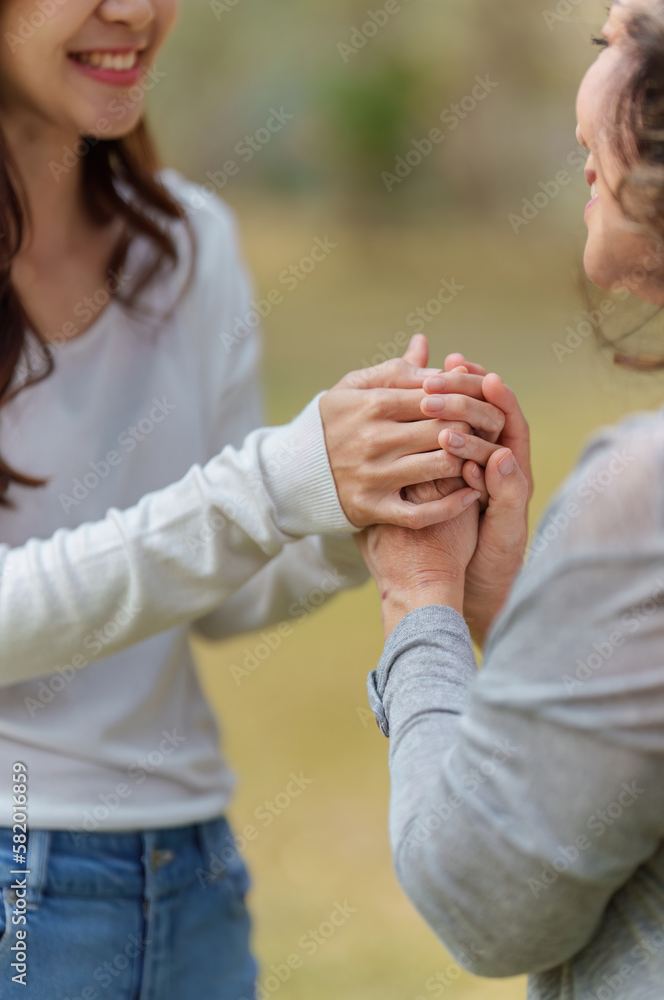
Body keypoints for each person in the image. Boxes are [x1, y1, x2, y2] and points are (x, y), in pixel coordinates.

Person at [0, 1, 526, 998]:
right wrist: (279, 481)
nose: (136, 12)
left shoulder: (189, 242)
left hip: (189, 869)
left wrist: (361, 501)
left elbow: (226, 591)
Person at [360, 1, 664, 997]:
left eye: (623, 36)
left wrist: (421, 601)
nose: (604, 60)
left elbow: (484, 896)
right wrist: (520, 611)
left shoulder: (643, 493)